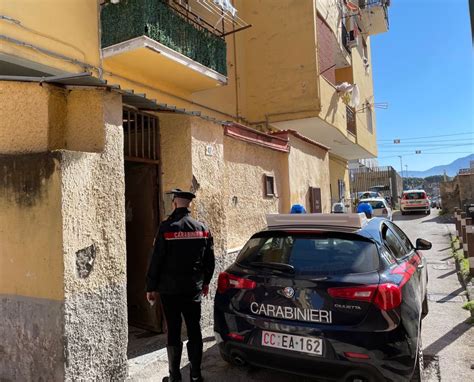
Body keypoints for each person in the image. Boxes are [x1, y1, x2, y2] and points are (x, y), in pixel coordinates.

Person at [146, 189, 215, 382]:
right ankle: (195, 375)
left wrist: (150, 287)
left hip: (170, 290)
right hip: (193, 288)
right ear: (189, 205)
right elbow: (210, 261)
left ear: (175, 204)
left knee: (174, 331)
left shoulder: (166, 228)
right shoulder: (202, 228)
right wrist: (206, 282)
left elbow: (156, 260)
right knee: (194, 329)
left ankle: (175, 377)